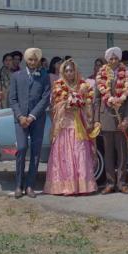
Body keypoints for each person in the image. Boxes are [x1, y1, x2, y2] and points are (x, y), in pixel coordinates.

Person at [44, 59, 98, 196]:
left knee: (80, 152)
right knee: (64, 154)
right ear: (63, 72)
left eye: (71, 70)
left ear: (75, 71)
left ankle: (82, 186)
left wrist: (80, 104)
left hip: (79, 124)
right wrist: (66, 105)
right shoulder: (58, 85)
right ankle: (64, 186)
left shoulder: (83, 85)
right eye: (66, 70)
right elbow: (55, 105)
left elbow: (88, 103)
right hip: (63, 125)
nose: (69, 73)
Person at [9, 47, 51, 198]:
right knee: (21, 149)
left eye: (35, 60)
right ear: (26, 60)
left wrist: (32, 116)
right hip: (20, 120)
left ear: (38, 61)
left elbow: (45, 98)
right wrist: (20, 116)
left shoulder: (44, 76)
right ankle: (18, 185)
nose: (33, 62)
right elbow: (12, 99)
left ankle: (30, 186)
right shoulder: (16, 76)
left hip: (37, 120)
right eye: (30, 60)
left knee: (35, 152)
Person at [95, 47, 128, 195]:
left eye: (116, 58)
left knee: (122, 153)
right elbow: (97, 99)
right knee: (108, 153)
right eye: (110, 58)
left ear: (119, 59)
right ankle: (110, 183)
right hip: (106, 118)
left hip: (121, 119)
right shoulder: (101, 74)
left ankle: (122, 183)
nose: (113, 61)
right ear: (107, 60)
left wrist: (127, 119)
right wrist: (97, 120)